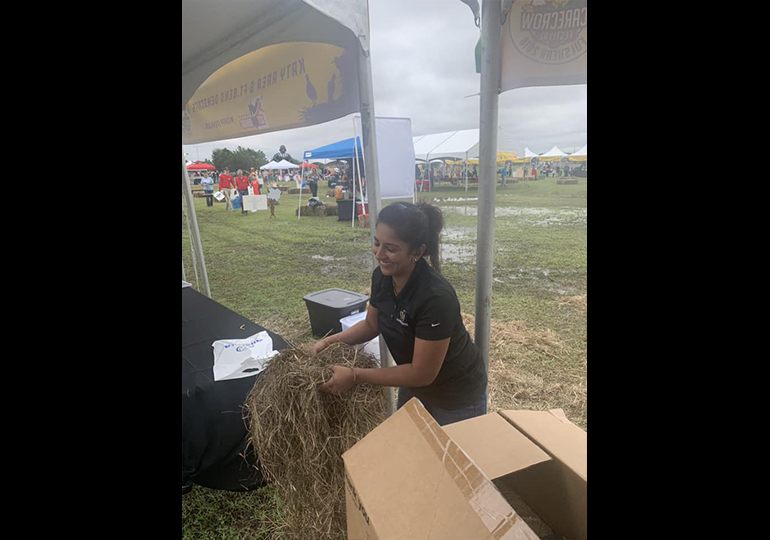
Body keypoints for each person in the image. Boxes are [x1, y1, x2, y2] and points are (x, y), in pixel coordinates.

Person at [312, 202, 488, 426]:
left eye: (391, 248)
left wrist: (355, 375)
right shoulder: (382, 277)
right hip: (413, 383)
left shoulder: (435, 297)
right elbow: (370, 325)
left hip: (455, 395)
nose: (379, 254)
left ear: (417, 251)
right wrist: (329, 342)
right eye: (377, 243)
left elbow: (422, 373)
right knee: (408, 446)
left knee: (446, 460)